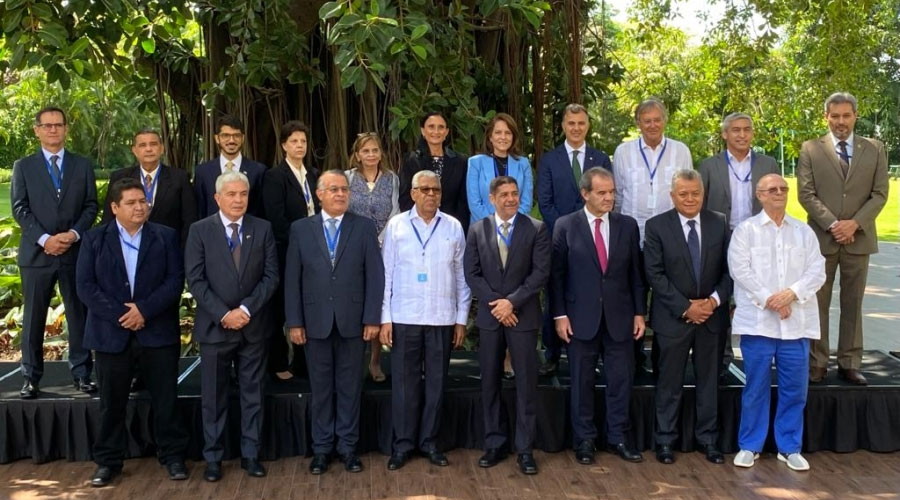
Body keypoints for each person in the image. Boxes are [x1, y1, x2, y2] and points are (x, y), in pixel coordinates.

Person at [76, 178, 189, 487]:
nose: (140, 207)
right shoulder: (94, 239)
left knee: (166, 398)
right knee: (111, 403)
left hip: (157, 333)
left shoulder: (165, 237)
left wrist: (144, 310)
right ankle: (108, 461)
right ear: (114, 208)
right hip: (112, 335)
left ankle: (173, 455)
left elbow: (174, 281)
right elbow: (85, 286)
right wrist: (123, 315)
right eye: (132, 202)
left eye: (143, 201)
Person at [284, 170, 384, 475]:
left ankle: (348, 448)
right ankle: (322, 449)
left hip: (354, 322)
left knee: (351, 387)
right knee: (321, 388)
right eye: (333, 189)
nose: (340, 194)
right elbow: (292, 279)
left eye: (344, 189)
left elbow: (375, 277)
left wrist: (371, 318)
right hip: (314, 324)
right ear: (319, 194)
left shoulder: (364, 227)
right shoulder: (300, 229)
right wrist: (295, 322)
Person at [185, 171, 279, 482]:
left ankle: (251, 454)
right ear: (217, 198)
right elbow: (195, 280)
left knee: (253, 393)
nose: (238, 200)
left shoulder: (262, 229)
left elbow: (271, 277)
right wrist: (224, 314)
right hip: (215, 329)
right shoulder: (200, 231)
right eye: (232, 194)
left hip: (253, 327)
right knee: (213, 397)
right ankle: (213, 457)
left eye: (243, 194)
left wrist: (246, 309)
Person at [729, 174, 826, 472]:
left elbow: (817, 270)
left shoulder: (803, 231)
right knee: (755, 386)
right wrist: (771, 299)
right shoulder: (746, 231)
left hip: (796, 324)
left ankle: (789, 446)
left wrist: (791, 295)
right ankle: (750, 445)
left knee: (795, 388)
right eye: (772, 189)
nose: (779, 193)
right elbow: (740, 270)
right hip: (759, 324)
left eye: (784, 188)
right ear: (759, 195)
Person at [550, 167, 646, 465]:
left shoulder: (627, 226)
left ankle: (618, 436)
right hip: (580, 318)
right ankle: (585, 440)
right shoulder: (565, 226)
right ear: (585, 194)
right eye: (602, 192)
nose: (609, 198)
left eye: (612, 192)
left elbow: (636, 275)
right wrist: (559, 315)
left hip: (620, 317)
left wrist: (640, 312)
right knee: (581, 383)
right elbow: (557, 277)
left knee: (620, 381)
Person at [380, 170, 471, 470]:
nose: (431, 194)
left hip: (442, 318)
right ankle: (403, 444)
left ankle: (430, 442)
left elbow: (462, 276)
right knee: (404, 385)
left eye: (436, 190)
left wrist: (460, 319)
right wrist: (385, 319)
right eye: (425, 189)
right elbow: (387, 276)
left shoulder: (454, 227)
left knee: (436, 384)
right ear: (414, 193)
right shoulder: (396, 226)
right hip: (404, 316)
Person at [797, 92, 890, 386]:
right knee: (817, 304)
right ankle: (818, 363)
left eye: (846, 116)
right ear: (826, 117)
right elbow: (806, 194)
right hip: (821, 241)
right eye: (834, 116)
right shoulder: (811, 149)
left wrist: (855, 224)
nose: (840, 122)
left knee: (853, 303)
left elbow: (880, 194)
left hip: (858, 240)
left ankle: (850, 363)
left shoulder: (874, 149)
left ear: (855, 116)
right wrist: (835, 224)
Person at [643, 169, 731, 465]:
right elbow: (654, 274)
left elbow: (729, 271)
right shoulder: (656, 226)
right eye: (683, 194)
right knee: (669, 383)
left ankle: (708, 440)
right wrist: (686, 307)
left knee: (709, 382)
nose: (690, 198)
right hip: (673, 319)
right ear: (672, 196)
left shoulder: (718, 223)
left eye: (695, 193)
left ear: (702, 194)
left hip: (711, 318)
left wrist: (712, 302)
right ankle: (665, 441)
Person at [464, 176, 550, 475]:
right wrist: (498, 306)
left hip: (522, 317)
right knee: (490, 382)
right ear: (492, 198)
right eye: (505, 195)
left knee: (527, 384)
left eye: (515, 194)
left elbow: (540, 273)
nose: (511, 199)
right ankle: (494, 443)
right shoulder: (477, 230)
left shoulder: (536, 229)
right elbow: (472, 274)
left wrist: (511, 303)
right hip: (491, 319)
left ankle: (525, 449)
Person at [11, 106, 99, 399]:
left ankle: (82, 374)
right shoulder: (23, 166)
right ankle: (30, 377)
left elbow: (90, 205)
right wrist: (46, 239)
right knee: (34, 318)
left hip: (74, 253)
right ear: (36, 130)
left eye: (58, 125)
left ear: (65, 129)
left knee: (78, 315)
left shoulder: (82, 165)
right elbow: (20, 209)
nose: (53, 130)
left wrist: (73, 235)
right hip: (38, 255)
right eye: (46, 125)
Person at [698, 113, 778, 376]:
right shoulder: (710, 166)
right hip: (721, 238)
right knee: (721, 295)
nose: (742, 135)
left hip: (759, 239)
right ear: (725, 134)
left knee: (758, 295)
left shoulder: (768, 163)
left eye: (747, 129)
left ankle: (760, 357)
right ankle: (721, 357)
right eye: (735, 130)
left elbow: (776, 201)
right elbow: (701, 204)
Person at [537, 103, 613, 376]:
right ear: (563, 126)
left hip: (595, 240)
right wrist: (564, 230)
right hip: (559, 239)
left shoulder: (600, 158)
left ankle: (597, 354)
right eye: (571, 123)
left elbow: (606, 198)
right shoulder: (550, 159)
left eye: (581, 123)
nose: (576, 128)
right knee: (555, 292)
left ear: (588, 125)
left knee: (594, 295)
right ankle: (552, 354)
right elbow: (545, 202)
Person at [262, 120, 319, 381]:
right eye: (294, 141)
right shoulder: (275, 176)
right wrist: (300, 243)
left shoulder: (315, 176)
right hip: (286, 251)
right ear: (284, 144)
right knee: (282, 307)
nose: (299, 146)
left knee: (309, 307)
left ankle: (305, 363)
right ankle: (278, 362)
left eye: (303, 141)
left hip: (315, 254)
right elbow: (276, 217)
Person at [346, 132, 400, 383]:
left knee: (379, 300)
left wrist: (380, 238)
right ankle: (354, 359)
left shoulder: (392, 179)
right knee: (355, 301)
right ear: (357, 155)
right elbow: (342, 212)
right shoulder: (347, 178)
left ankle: (376, 360)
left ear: (381, 153)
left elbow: (396, 211)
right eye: (365, 151)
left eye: (375, 150)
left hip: (383, 247)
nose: (370, 155)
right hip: (353, 249)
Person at [612, 98, 693, 242]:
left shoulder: (681, 151)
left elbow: (688, 191)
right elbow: (618, 194)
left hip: (671, 232)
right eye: (647, 121)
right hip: (633, 231)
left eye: (657, 120)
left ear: (664, 121)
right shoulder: (623, 152)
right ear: (639, 124)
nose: (652, 125)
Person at [102, 128, 197, 248]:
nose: (148, 149)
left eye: (153, 144)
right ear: (134, 150)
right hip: (127, 247)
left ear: (162, 148)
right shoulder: (120, 177)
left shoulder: (179, 178)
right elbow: (108, 217)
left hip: (167, 249)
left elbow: (189, 220)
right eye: (142, 145)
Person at [399, 112, 470, 232]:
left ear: (446, 132)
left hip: (450, 228)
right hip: (418, 228)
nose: (436, 131)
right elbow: (405, 197)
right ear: (423, 131)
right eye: (431, 127)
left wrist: (457, 227)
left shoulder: (460, 162)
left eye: (441, 127)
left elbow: (463, 201)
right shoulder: (412, 161)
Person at [467, 113, 533, 225]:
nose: (503, 137)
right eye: (498, 132)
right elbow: (474, 204)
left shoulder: (523, 164)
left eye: (508, 133)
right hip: (483, 228)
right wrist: (496, 225)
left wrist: (510, 225)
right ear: (490, 137)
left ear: (513, 137)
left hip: (516, 229)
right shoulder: (475, 163)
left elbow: (526, 203)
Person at [194, 115, 267, 218]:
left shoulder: (258, 171)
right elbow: (200, 210)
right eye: (225, 135)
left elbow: (262, 210)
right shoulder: (202, 171)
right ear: (217, 138)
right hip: (212, 232)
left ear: (243, 138)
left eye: (236, 135)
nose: (231, 140)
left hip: (248, 231)